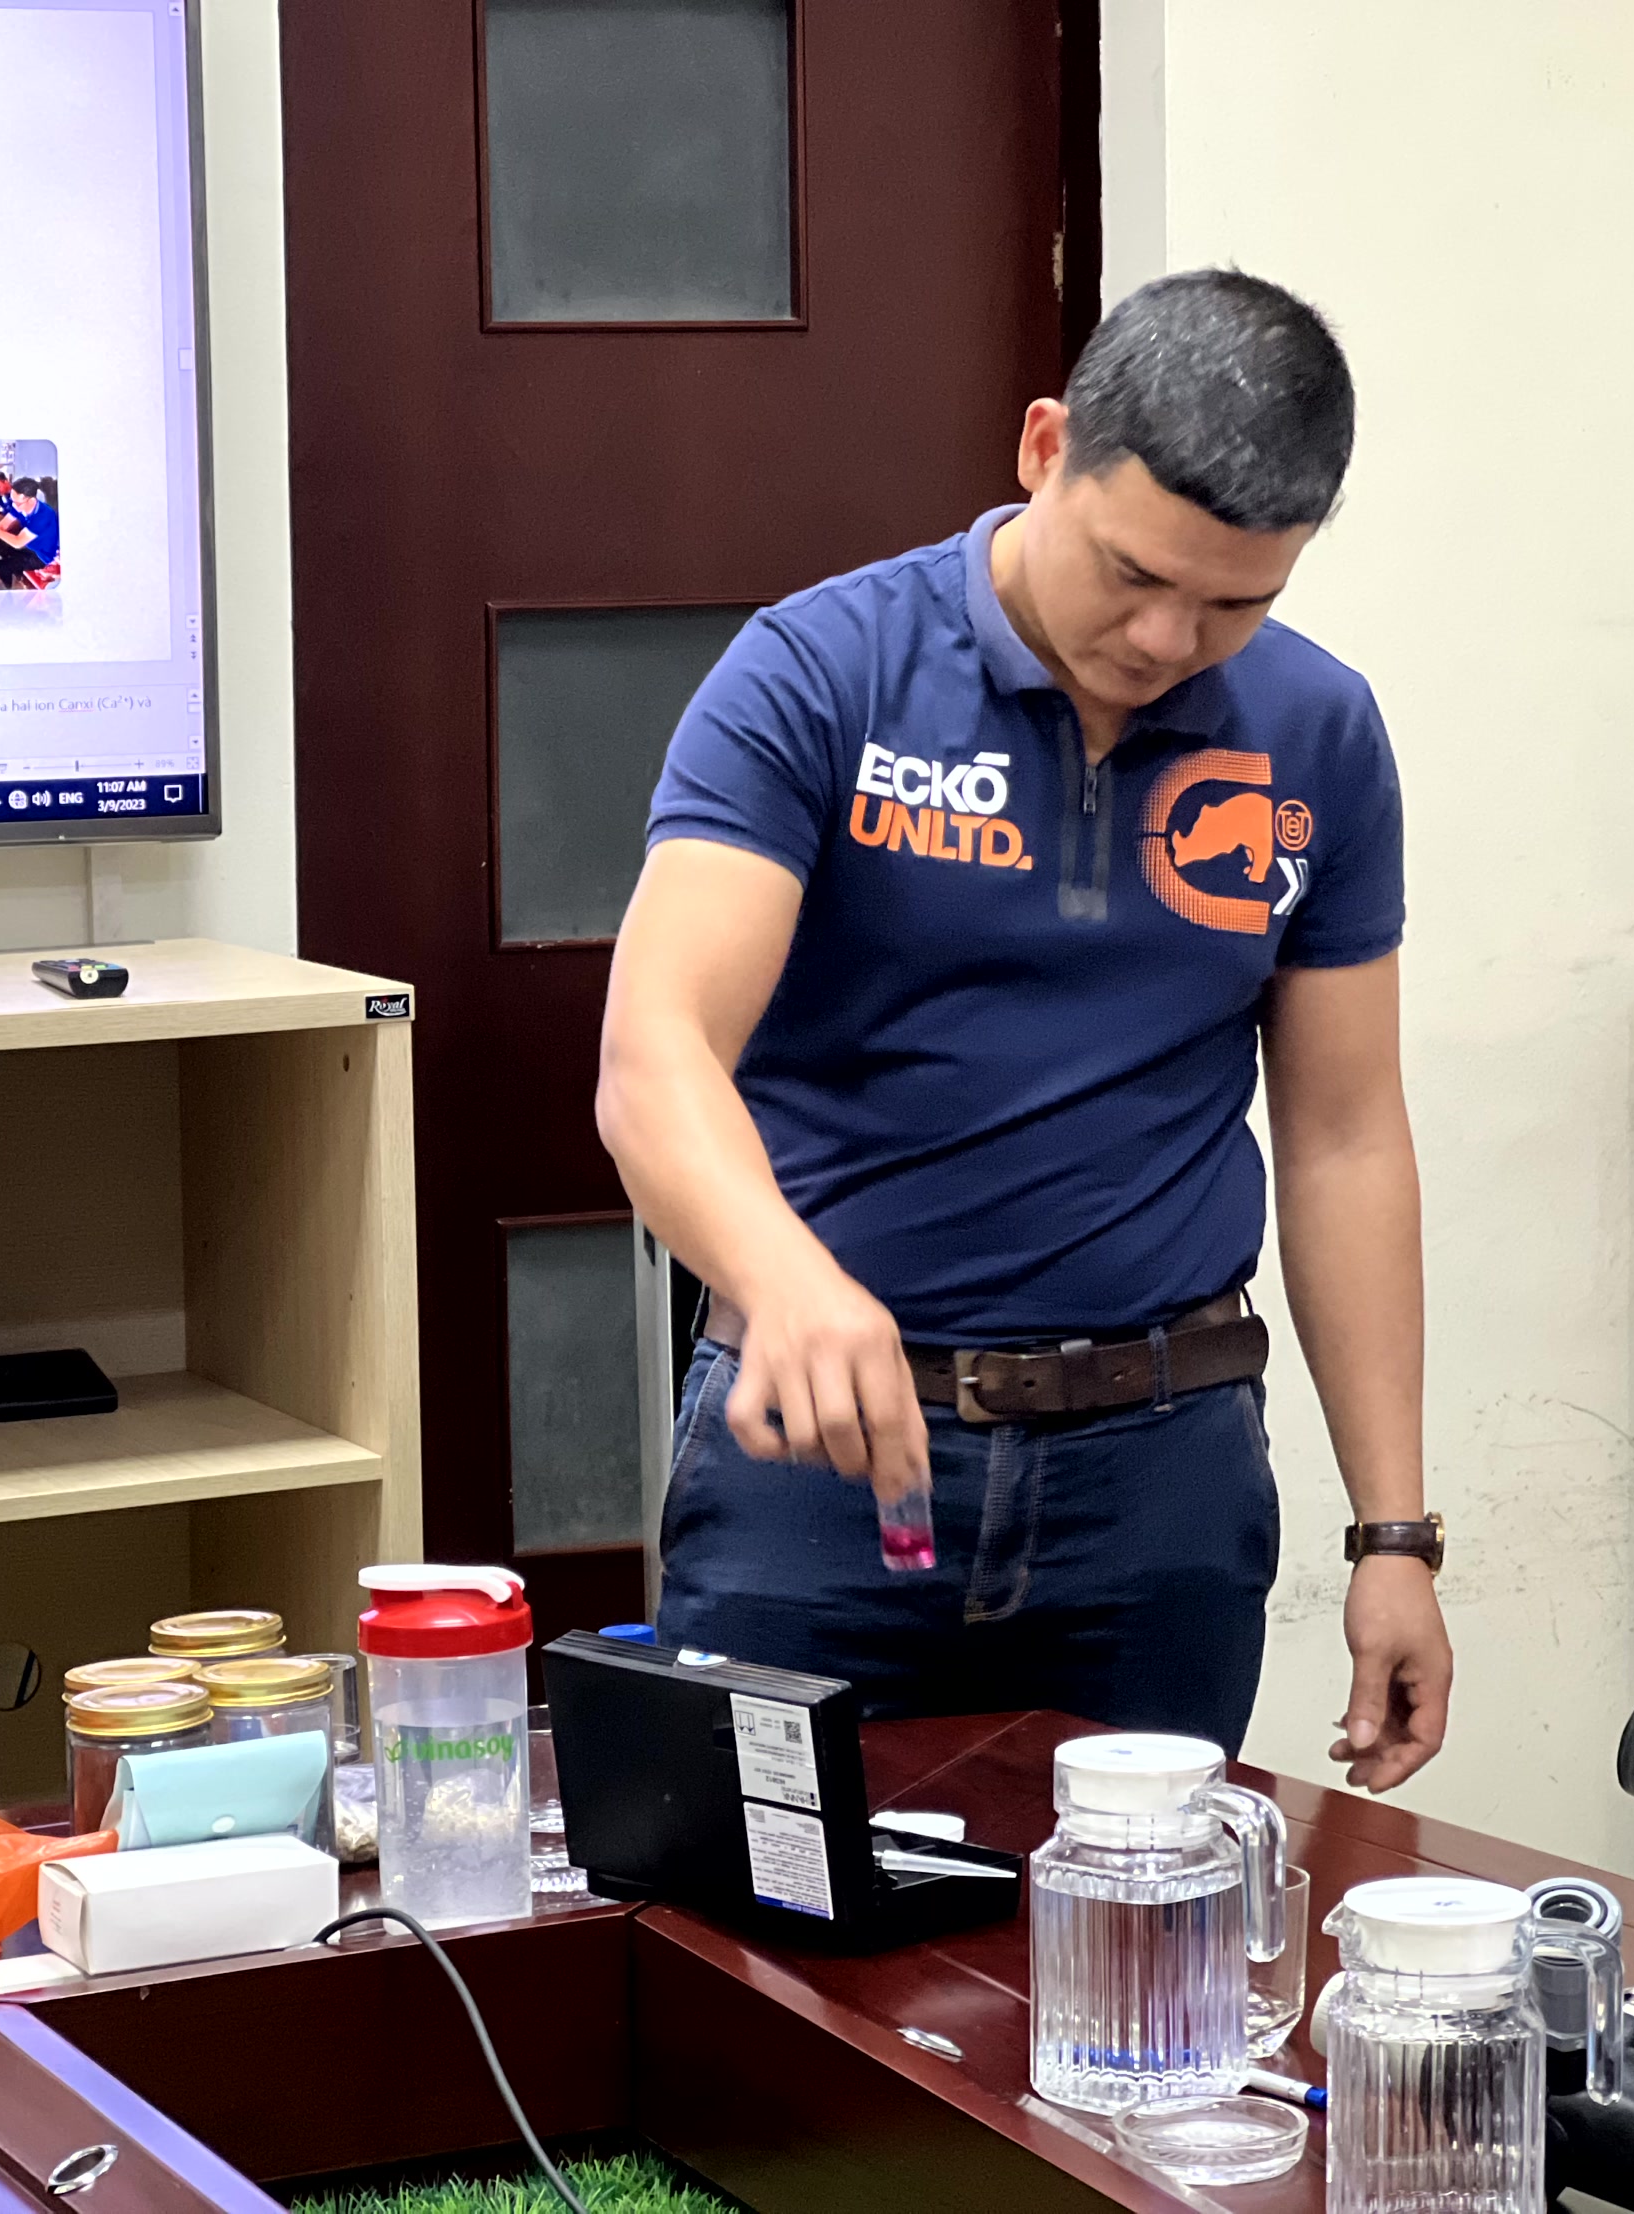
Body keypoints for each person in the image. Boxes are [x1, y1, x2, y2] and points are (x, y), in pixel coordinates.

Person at [596, 269, 1452, 1788]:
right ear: (1044, 446)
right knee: (760, 1910)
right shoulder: (821, 674)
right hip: (827, 1461)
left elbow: (1342, 1139)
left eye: (1235, 602)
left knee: (1137, 1920)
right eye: (1131, 573)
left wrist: (1394, 1534)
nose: (1166, 635)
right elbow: (655, 1054)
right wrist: (785, 1280)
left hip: (1159, 1480)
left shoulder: (1313, 731)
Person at [0, 477, 58, 587]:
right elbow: (2, 526)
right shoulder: (19, 506)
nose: (14, 506)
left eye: (17, 503)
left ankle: (7, 587)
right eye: (13, 501)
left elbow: (17, 542)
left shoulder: (43, 517)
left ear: (31, 500)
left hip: (41, 556)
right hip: (28, 546)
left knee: (5, 566)